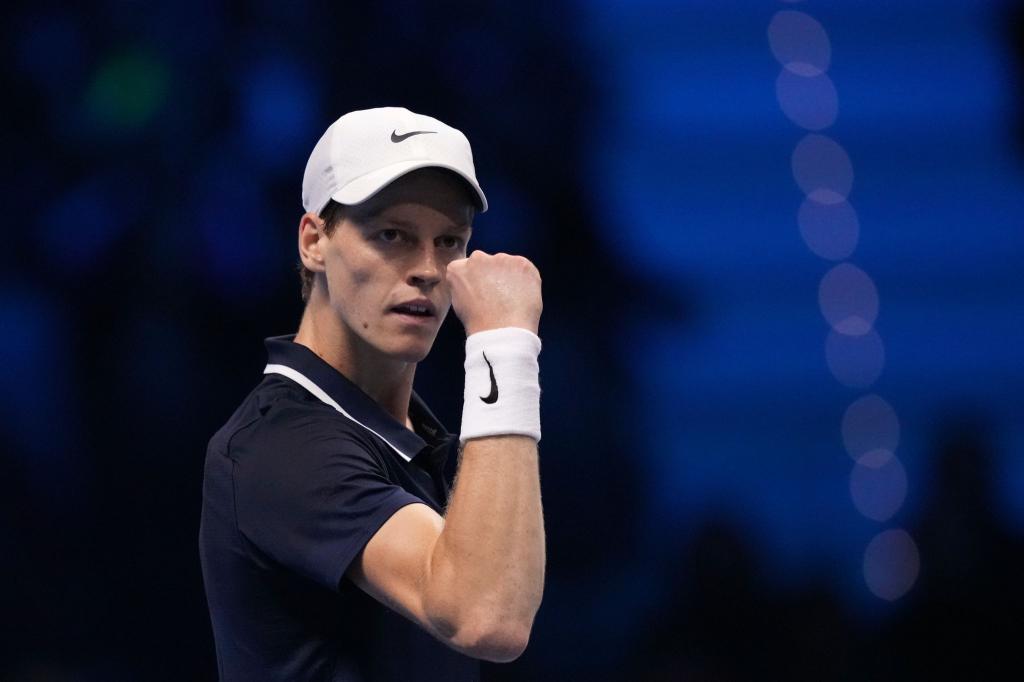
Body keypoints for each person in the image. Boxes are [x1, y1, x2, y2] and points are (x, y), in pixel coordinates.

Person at [199, 107, 545, 681]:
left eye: (449, 241)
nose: (429, 270)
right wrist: (503, 345)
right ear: (314, 241)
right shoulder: (282, 446)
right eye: (392, 235)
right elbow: (487, 616)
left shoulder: (421, 439)